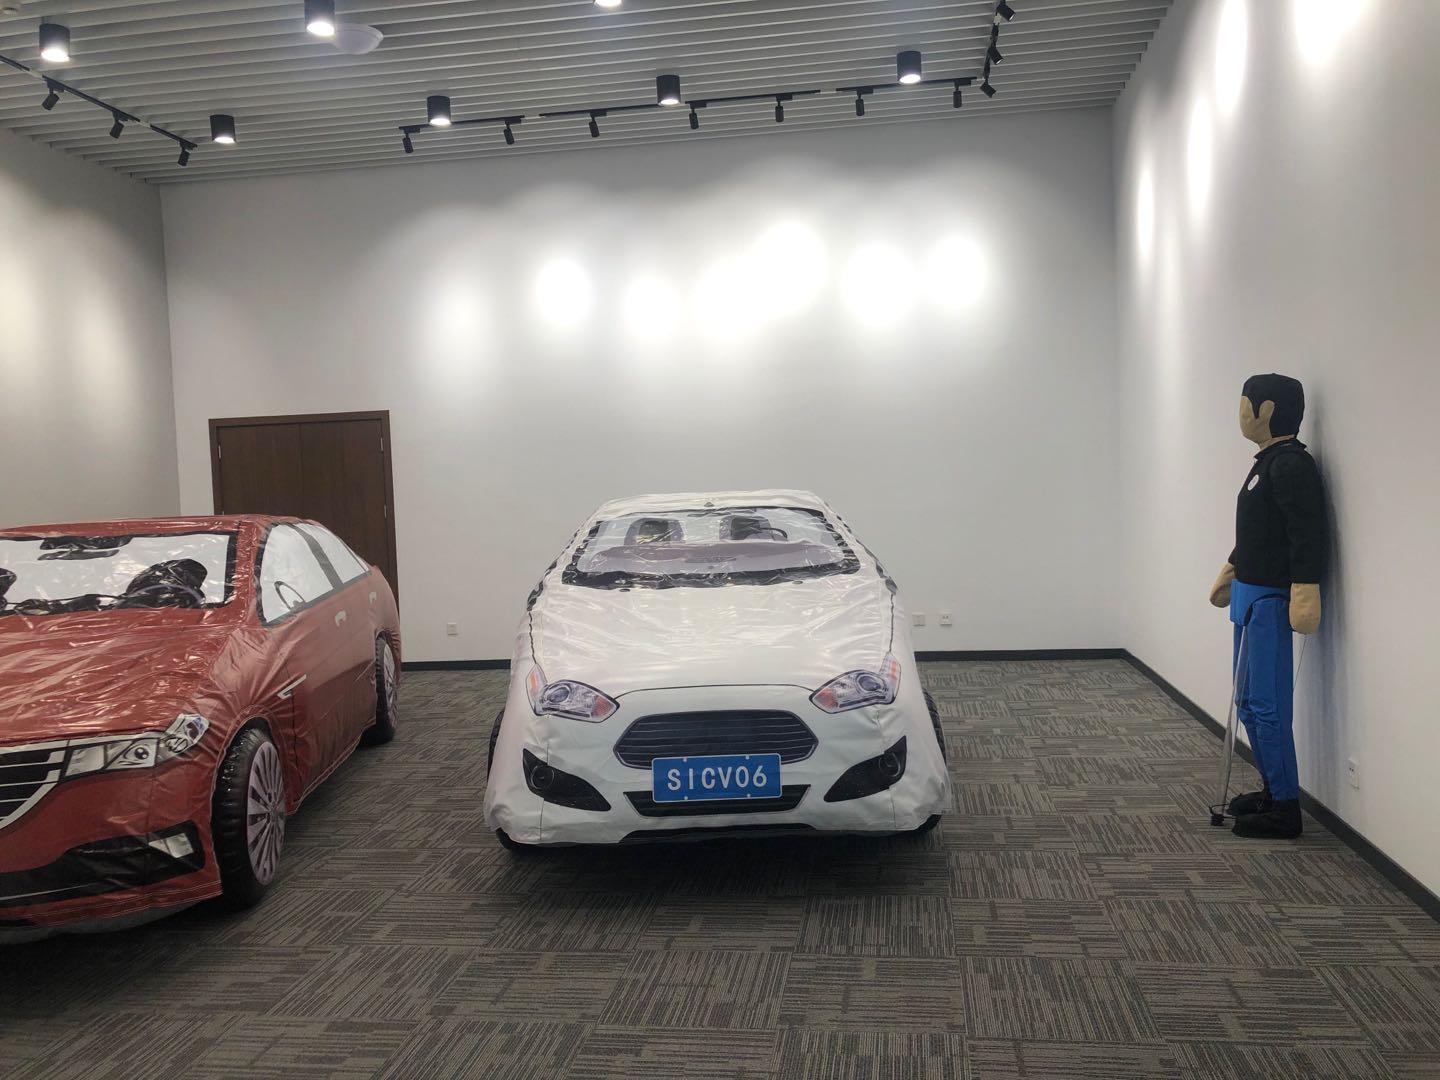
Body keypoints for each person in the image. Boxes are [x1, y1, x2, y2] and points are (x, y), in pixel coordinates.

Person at [1208, 374, 1326, 839]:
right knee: (1247, 702)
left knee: (1268, 704)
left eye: (1246, 405)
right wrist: (1231, 568)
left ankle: (1286, 807)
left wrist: (1306, 588)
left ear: (1268, 411)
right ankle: (1271, 789)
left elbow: (1306, 532)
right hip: (1247, 595)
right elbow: (1257, 530)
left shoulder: (1293, 465)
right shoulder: (1264, 464)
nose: (1240, 414)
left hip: (1272, 600)